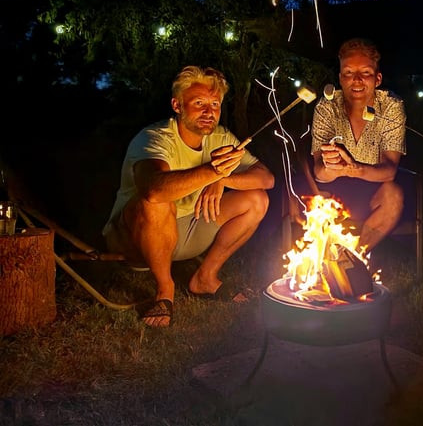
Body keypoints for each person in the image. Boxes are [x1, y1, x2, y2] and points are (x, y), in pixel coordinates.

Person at [103, 66, 274, 327]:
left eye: (215, 104)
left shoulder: (220, 137)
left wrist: (223, 179)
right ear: (177, 105)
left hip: (190, 230)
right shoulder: (155, 138)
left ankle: (205, 278)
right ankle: (164, 291)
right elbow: (153, 189)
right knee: (155, 203)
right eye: (199, 103)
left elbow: (267, 178)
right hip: (136, 238)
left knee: (257, 199)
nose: (209, 111)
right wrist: (211, 172)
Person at [309, 37, 406, 253]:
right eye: (349, 73)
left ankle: (352, 256)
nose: (357, 80)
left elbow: (390, 171)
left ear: (378, 78)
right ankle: (330, 260)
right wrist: (330, 168)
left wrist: (356, 169)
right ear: (341, 78)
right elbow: (318, 173)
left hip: (373, 189)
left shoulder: (391, 106)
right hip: (331, 189)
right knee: (316, 197)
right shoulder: (326, 107)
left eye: (366, 73)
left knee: (394, 196)